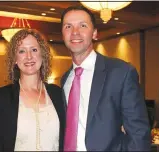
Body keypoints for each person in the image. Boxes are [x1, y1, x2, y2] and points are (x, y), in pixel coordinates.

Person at [61, 5, 151, 151]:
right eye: (68, 26)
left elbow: (139, 133)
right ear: (62, 34)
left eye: (82, 25)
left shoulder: (121, 72)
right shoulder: (65, 79)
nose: (75, 32)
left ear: (95, 33)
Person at [0, 29, 65, 151]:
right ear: (15, 59)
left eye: (34, 50)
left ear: (42, 54)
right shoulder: (2, 97)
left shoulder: (58, 93)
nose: (29, 56)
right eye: (22, 51)